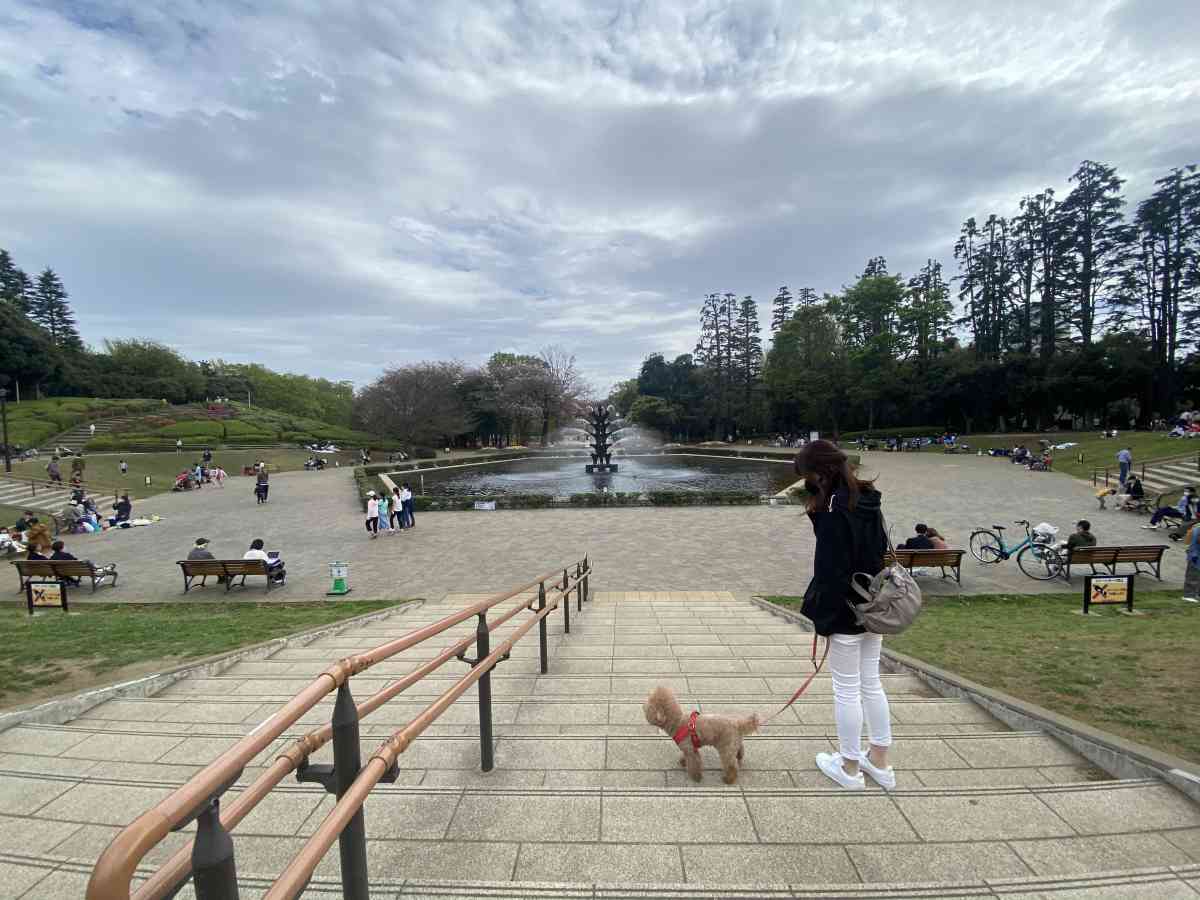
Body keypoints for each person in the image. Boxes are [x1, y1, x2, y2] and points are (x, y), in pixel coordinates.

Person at [793, 439, 893, 791]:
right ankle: (880, 762)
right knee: (871, 683)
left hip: (846, 612)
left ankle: (849, 767)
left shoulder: (834, 510)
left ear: (820, 473)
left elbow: (829, 574)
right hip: (874, 606)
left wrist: (823, 620)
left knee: (847, 689)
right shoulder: (868, 498)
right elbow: (878, 551)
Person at [1185, 524, 1200, 603]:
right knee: (1193, 575)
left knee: (1196, 576)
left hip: (1195, 553)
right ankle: (1189, 595)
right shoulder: (1197, 529)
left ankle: (1196, 593)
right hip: (1195, 555)